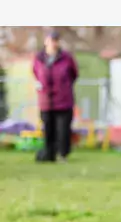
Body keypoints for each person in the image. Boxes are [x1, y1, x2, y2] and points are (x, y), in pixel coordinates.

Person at [32, 31, 78, 163]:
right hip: (46, 101)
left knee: (63, 130)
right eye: (51, 40)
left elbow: (74, 74)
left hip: (63, 100)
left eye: (56, 40)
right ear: (46, 41)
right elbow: (36, 73)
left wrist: (64, 87)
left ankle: (62, 155)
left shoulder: (66, 58)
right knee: (48, 128)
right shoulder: (38, 58)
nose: (53, 43)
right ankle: (49, 153)